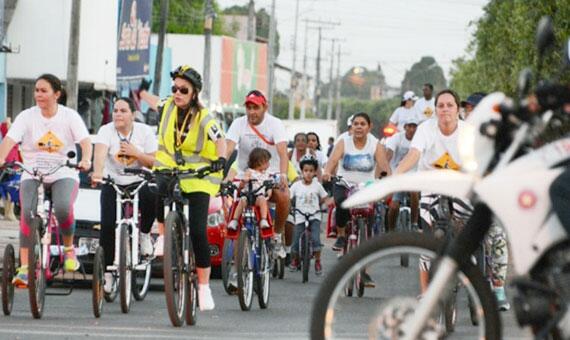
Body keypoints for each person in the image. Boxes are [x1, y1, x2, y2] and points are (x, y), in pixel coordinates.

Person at [139, 65, 226, 311]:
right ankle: (163, 236)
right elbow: (156, 100)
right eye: (174, 88)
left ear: (194, 94)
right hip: (169, 169)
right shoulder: (168, 106)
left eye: (183, 90)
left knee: (198, 231)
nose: (177, 93)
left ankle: (204, 287)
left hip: (198, 176)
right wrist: (141, 93)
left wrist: (220, 158)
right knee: (158, 187)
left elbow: (220, 139)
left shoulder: (205, 116)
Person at [0, 74, 92, 287]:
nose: (38, 95)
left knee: (62, 208)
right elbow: (10, 140)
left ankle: (69, 250)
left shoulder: (69, 116)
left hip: (63, 172)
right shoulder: (27, 116)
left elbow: (85, 142)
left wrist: (86, 159)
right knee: (26, 212)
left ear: (57, 94)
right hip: (32, 172)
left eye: (44, 91)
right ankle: (24, 268)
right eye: (36, 91)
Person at [91, 97, 158, 293]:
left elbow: (154, 162)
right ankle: (109, 273)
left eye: (123, 111)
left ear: (133, 114)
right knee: (107, 224)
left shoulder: (145, 132)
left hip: (139, 180)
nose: (118, 114)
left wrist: (136, 153)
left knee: (152, 195)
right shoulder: (106, 130)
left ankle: (145, 235)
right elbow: (100, 155)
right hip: (113, 182)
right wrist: (97, 172)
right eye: (115, 110)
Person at [323, 112, 391, 287]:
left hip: (366, 186)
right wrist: (327, 172)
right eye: (356, 124)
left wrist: (386, 180)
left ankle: (366, 272)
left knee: (370, 223)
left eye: (362, 124)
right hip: (344, 183)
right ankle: (341, 235)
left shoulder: (375, 144)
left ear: (369, 127)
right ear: (351, 127)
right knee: (341, 203)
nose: (359, 127)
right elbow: (332, 161)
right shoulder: (343, 142)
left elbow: (384, 166)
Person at [225, 90, 290, 255]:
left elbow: (283, 152)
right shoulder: (238, 123)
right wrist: (218, 170)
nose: (251, 112)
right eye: (248, 108)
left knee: (284, 196)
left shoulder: (275, 124)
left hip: (270, 173)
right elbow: (228, 149)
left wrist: (283, 176)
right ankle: (235, 261)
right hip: (244, 173)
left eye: (256, 107)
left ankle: (276, 235)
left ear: (265, 107)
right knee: (229, 200)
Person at [289, 156, 332, 275]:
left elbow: (324, 197)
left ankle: (318, 261)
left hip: (315, 216)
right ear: (302, 171)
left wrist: (322, 204)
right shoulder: (296, 185)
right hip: (300, 215)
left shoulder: (317, 185)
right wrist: (290, 207)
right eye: (306, 170)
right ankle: (294, 259)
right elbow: (289, 198)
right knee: (296, 239)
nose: (308, 173)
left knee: (316, 239)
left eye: (311, 171)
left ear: (314, 172)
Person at [385, 117, 420, 232]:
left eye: (414, 126)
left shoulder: (420, 140)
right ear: (405, 127)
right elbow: (389, 154)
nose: (412, 129)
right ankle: (391, 230)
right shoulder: (396, 138)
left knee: (414, 192)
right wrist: (385, 171)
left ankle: (414, 223)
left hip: (414, 175)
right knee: (394, 206)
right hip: (397, 174)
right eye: (409, 126)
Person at [227, 148, 272, 231]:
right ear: (260, 162)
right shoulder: (249, 171)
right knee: (242, 201)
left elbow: (268, 185)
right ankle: (234, 220)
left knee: (263, 201)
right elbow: (242, 184)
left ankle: (263, 219)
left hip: (258, 196)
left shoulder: (266, 174)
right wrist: (244, 181)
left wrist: (269, 192)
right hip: (247, 195)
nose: (269, 164)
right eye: (267, 162)